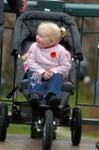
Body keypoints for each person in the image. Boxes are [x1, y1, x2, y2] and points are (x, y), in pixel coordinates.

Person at [22, 22, 72, 107]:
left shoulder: (60, 50)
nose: (37, 37)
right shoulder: (34, 47)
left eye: (41, 36)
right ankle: (35, 94)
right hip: (38, 70)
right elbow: (30, 62)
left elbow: (66, 66)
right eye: (38, 34)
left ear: (52, 41)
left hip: (53, 73)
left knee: (58, 75)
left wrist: (53, 71)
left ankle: (52, 95)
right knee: (32, 73)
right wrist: (42, 72)